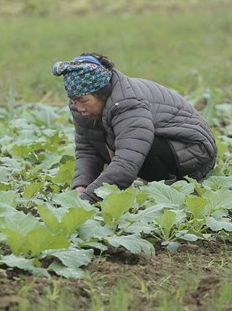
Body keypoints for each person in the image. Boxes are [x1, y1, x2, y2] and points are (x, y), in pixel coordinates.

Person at [52, 53, 218, 203]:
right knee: (111, 141)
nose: (79, 108)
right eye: (73, 100)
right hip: (162, 144)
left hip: (192, 151)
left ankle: (170, 184)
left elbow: (127, 162)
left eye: (83, 100)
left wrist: (88, 199)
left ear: (102, 92)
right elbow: (87, 149)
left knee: (126, 143)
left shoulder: (128, 103)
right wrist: (80, 186)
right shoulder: (81, 107)